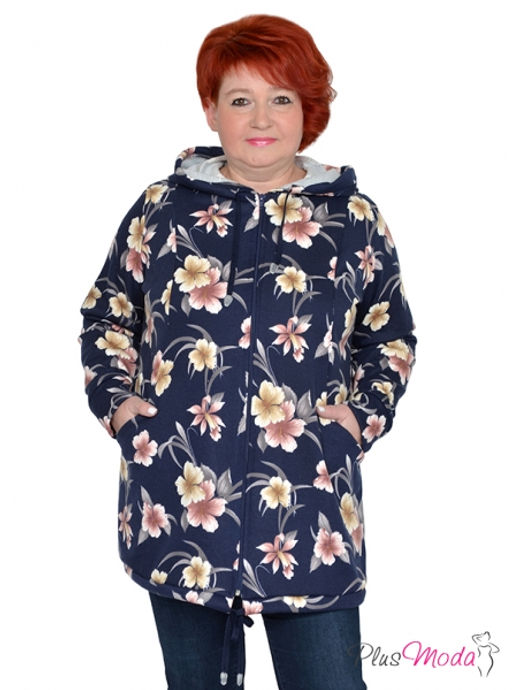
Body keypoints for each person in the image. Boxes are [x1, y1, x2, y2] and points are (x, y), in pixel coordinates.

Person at [79, 13, 416, 689]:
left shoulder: (352, 220)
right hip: (181, 501)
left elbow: (389, 336)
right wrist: (118, 406)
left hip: (308, 509)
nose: (261, 118)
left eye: (281, 98)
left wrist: (359, 420)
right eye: (240, 99)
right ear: (211, 110)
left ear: (307, 110)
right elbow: (108, 311)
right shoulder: (161, 210)